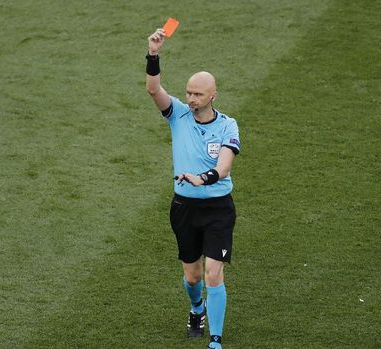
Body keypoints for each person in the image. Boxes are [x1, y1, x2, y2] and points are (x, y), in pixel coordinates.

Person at [145, 28, 240, 349]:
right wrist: (153, 53)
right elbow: (153, 89)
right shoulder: (177, 115)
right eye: (188, 93)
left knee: (214, 273)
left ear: (212, 96)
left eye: (197, 94)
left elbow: (225, 164)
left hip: (217, 208)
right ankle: (196, 308)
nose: (190, 99)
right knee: (193, 277)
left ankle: (215, 339)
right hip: (184, 208)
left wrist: (205, 178)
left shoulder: (228, 125)